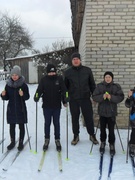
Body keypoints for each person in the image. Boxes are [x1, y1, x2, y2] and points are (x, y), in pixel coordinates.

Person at [64, 52, 99, 145]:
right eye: (74, 59)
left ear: (80, 60)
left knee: (88, 118)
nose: (76, 61)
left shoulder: (87, 70)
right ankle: (76, 136)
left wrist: (94, 96)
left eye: (77, 59)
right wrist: (65, 99)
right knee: (74, 118)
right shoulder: (67, 72)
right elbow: (65, 88)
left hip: (85, 98)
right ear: (72, 61)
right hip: (73, 99)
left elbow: (92, 85)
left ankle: (92, 135)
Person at [34, 64, 67, 152]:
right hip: (46, 106)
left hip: (56, 106)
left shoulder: (59, 79)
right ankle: (47, 139)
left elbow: (64, 90)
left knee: (56, 123)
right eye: (50, 72)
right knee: (47, 123)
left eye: (53, 72)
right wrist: (36, 96)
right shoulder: (44, 80)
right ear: (47, 72)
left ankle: (57, 139)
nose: (52, 74)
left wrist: (65, 99)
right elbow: (39, 90)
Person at [92, 71, 124, 155]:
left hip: (112, 112)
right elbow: (94, 97)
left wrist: (111, 97)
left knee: (111, 130)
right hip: (102, 112)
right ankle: (103, 143)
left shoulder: (116, 86)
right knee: (102, 129)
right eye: (106, 77)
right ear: (104, 78)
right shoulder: (99, 86)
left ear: (112, 78)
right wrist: (102, 96)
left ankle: (111, 144)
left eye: (109, 77)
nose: (107, 78)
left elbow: (121, 97)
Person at [1, 65, 30, 151]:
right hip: (11, 109)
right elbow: (6, 98)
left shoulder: (23, 85)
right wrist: (3, 95)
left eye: (16, 75)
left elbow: (27, 97)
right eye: (13, 75)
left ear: (19, 75)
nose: (14, 76)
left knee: (21, 125)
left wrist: (23, 95)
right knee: (12, 126)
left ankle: (21, 142)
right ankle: (12, 141)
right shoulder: (8, 85)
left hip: (21, 108)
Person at [125, 88, 135, 156]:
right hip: (134, 115)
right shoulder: (133, 92)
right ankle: (132, 144)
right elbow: (128, 105)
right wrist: (129, 97)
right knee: (134, 131)